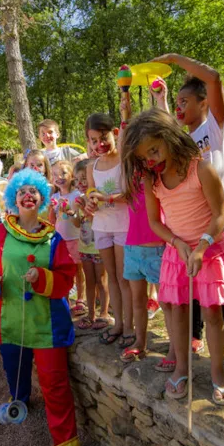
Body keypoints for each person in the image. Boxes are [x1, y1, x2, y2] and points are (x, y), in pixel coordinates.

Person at [121, 108, 224, 405]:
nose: (151, 160)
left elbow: (220, 214)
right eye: (144, 156)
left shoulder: (201, 169)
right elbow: (155, 223)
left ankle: (217, 372)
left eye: (155, 150)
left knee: (212, 314)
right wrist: (177, 243)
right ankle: (183, 368)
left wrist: (200, 246)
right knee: (177, 311)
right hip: (177, 252)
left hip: (208, 250)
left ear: (171, 137)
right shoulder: (152, 181)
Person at [0, 168, 83, 446]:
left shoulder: (54, 238)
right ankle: (19, 404)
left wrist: (44, 279)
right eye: (21, 191)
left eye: (33, 191)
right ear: (13, 199)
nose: (27, 195)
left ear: (41, 198)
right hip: (10, 320)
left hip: (46, 325)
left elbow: (66, 280)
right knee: (16, 373)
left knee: (56, 387)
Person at [150, 56, 224, 364]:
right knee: (189, 282)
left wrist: (174, 59)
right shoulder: (183, 138)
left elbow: (214, 76)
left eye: (185, 101)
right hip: (187, 217)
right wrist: (161, 101)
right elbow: (164, 132)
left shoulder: (214, 127)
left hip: (215, 214)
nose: (179, 108)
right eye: (177, 102)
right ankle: (194, 335)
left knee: (217, 288)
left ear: (204, 103)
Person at [118, 91, 166, 363]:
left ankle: (174, 350)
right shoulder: (130, 172)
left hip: (158, 247)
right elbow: (125, 140)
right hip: (133, 247)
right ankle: (140, 342)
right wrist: (125, 113)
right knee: (137, 301)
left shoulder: (159, 172)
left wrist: (160, 104)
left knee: (169, 304)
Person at [85, 113, 134, 346]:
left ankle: (130, 326)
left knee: (125, 279)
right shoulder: (91, 166)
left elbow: (131, 194)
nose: (99, 145)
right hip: (101, 227)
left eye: (102, 138)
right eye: (93, 140)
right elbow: (90, 193)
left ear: (114, 133)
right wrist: (89, 201)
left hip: (123, 226)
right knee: (111, 278)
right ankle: (117, 323)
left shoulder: (124, 159)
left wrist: (106, 197)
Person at [72, 159, 111, 330]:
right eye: (77, 180)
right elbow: (77, 224)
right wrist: (74, 213)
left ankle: (104, 313)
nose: (80, 183)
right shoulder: (79, 199)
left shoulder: (98, 198)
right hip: (84, 246)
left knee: (102, 281)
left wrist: (89, 213)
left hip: (99, 246)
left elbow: (101, 219)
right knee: (90, 280)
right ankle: (90, 314)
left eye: (83, 179)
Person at [49, 159, 87, 317]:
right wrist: (53, 209)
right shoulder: (55, 197)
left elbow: (80, 217)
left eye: (63, 173)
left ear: (72, 175)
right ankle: (65, 298)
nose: (60, 177)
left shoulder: (77, 195)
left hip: (75, 238)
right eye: (55, 174)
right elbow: (52, 220)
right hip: (61, 240)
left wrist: (70, 210)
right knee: (64, 270)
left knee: (79, 269)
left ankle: (81, 298)